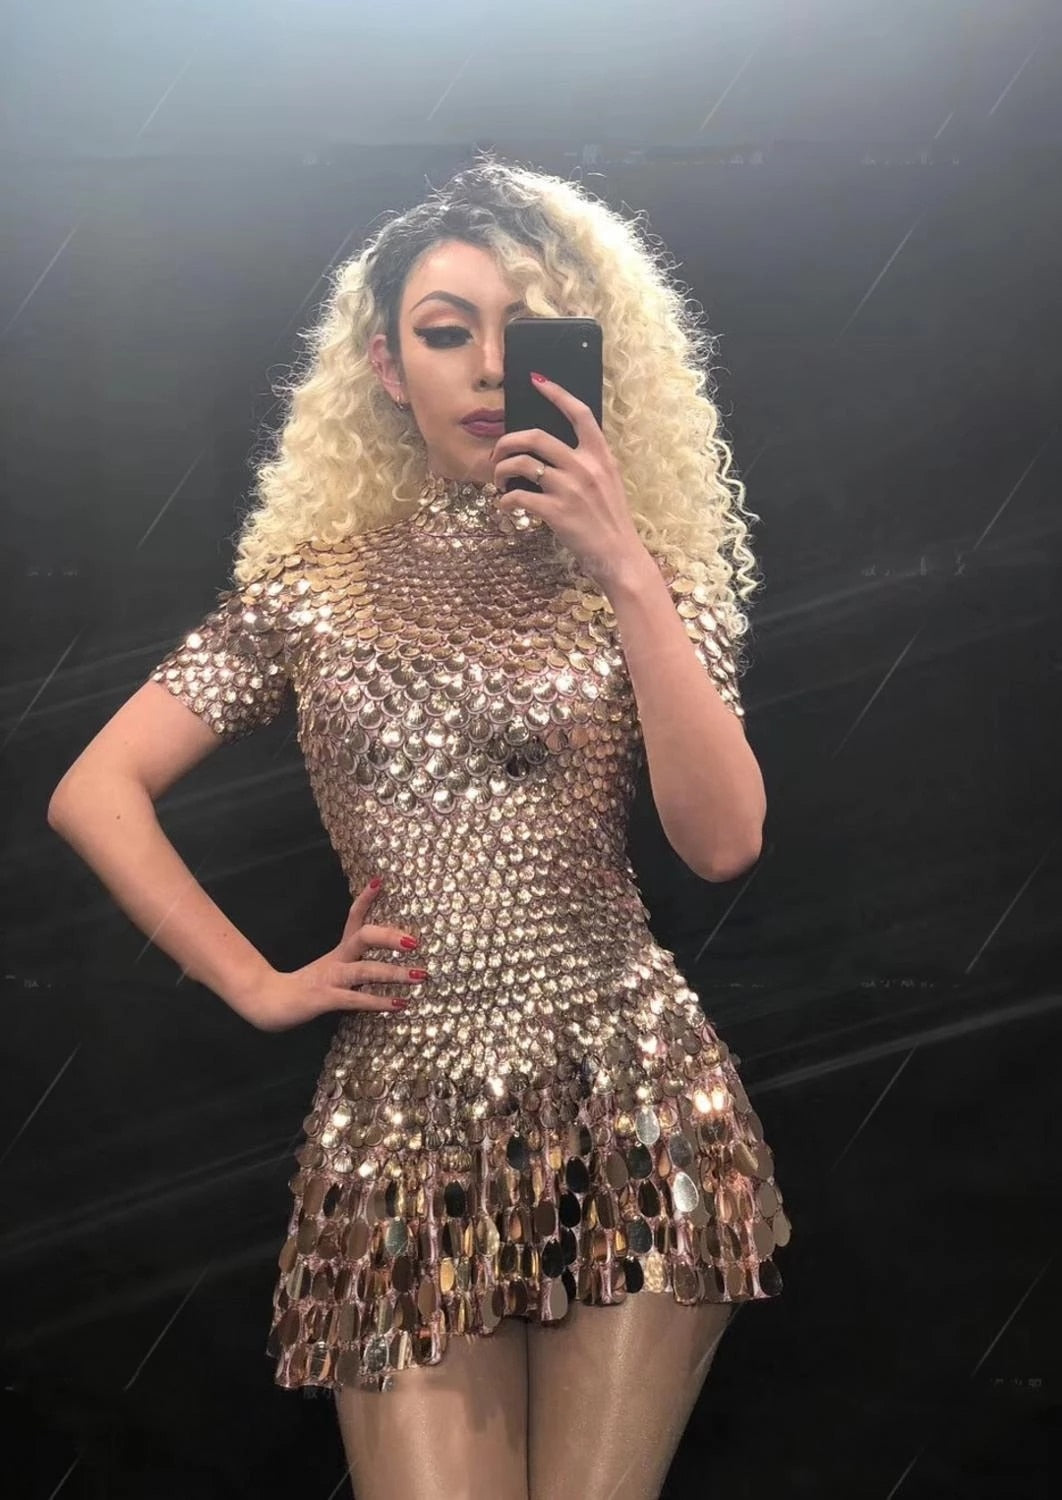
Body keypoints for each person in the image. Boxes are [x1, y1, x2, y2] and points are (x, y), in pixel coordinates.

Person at [47, 157, 790, 1500]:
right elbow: (94, 790)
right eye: (447, 332)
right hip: (402, 1124)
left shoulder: (652, 578)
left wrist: (623, 565)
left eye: (526, 329)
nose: (489, 366)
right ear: (387, 367)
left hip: (633, 1096)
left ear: (584, 353)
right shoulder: (311, 594)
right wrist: (258, 984)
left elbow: (723, 842)